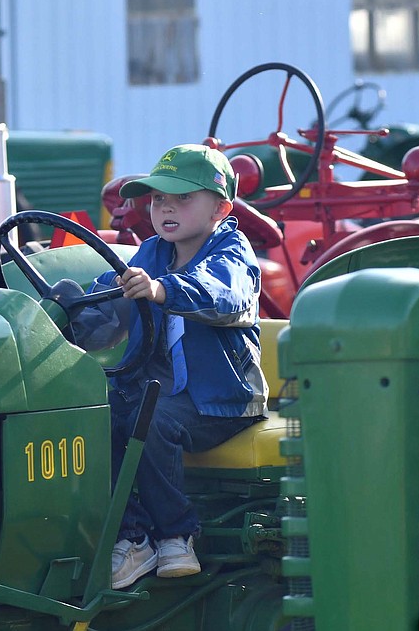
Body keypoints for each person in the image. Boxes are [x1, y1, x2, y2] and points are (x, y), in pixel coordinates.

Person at [71, 143, 268, 590]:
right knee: (92, 413)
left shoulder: (232, 254)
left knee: (152, 418)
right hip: (155, 388)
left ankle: (177, 535)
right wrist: (71, 308)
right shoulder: (154, 251)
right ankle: (132, 539)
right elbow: (111, 291)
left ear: (221, 206)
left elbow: (223, 296)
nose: (166, 208)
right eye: (159, 198)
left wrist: (162, 291)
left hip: (219, 400)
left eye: (183, 198)